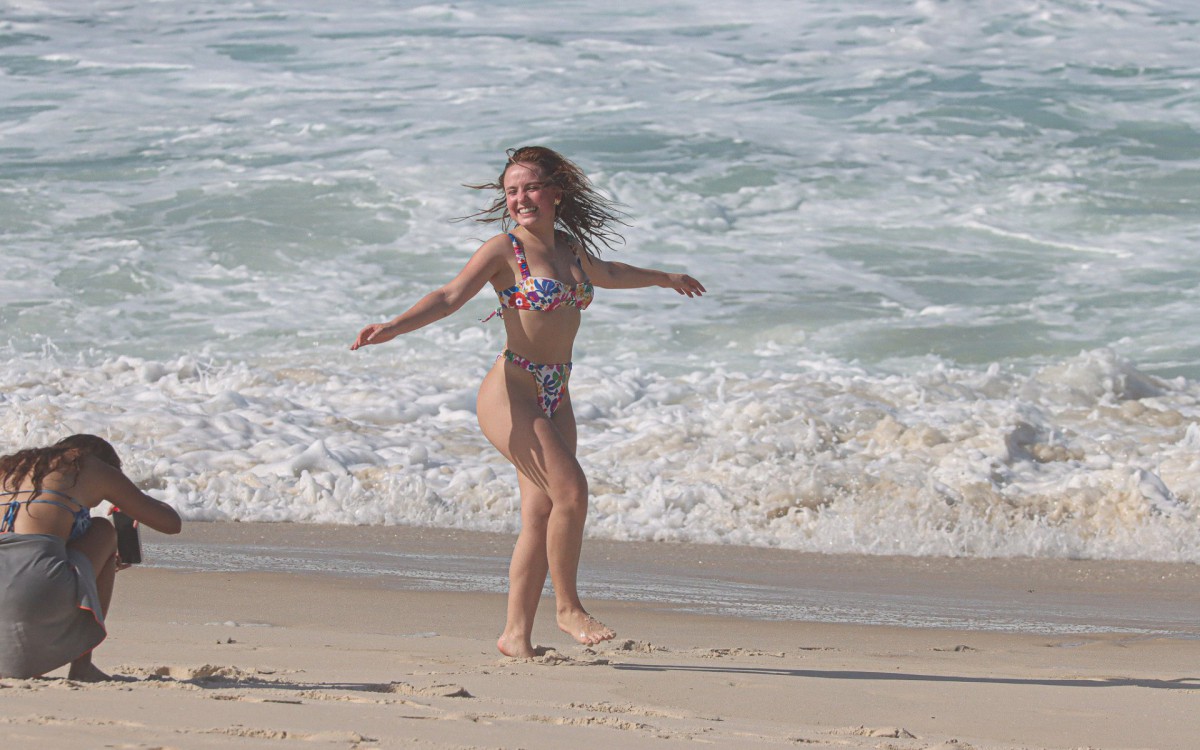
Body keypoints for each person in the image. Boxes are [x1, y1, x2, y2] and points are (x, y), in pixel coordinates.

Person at [352, 146, 706, 657]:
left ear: (555, 193)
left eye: (531, 188)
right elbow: (450, 296)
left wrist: (664, 278)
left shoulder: (569, 249)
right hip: (512, 390)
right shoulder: (504, 250)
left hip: (556, 387)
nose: (520, 198)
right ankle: (568, 608)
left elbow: (610, 272)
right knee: (573, 492)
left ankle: (515, 636)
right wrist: (393, 326)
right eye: (512, 190)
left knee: (541, 514)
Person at [0, 434, 182, 680]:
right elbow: (171, 523)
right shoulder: (88, 465)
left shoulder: (11, 468)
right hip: (37, 593)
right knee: (104, 530)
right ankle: (82, 667)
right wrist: (126, 502)